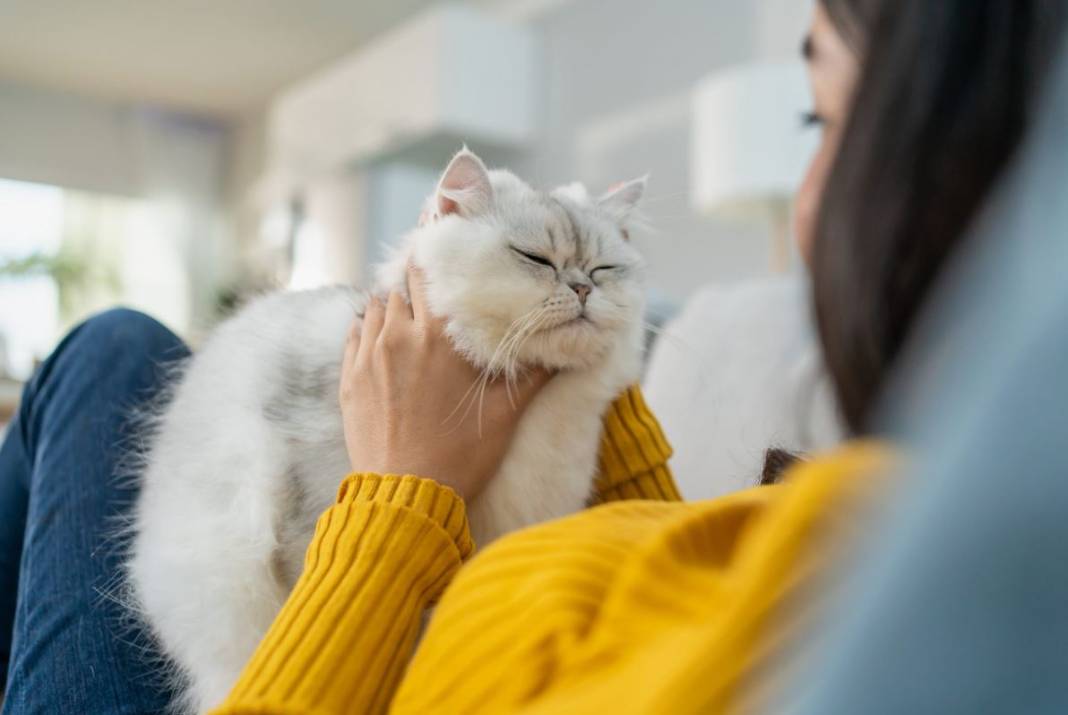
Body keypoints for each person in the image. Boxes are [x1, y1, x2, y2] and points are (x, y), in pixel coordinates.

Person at [1, 1, 1062, 713]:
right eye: (809, 121)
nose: (808, 201)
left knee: (107, 346)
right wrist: (589, 380)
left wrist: (400, 493)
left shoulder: (908, 581)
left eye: (824, 118)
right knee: (122, 347)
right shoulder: (839, 519)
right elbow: (659, 555)